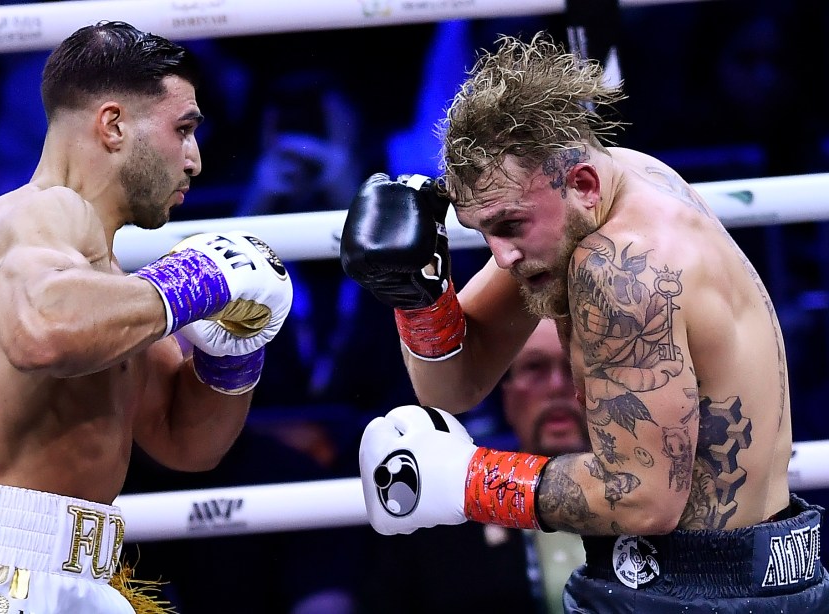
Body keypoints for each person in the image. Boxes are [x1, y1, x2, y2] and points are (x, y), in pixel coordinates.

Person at [341, 32, 829, 612]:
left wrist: (469, 482)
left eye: (510, 225)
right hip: (738, 573)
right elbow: (453, 388)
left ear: (582, 184)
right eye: (484, 233)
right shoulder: (608, 186)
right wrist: (420, 298)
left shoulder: (620, 268)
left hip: (697, 589)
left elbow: (645, 501)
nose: (501, 257)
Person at [0, 20, 292, 614]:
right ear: (113, 125)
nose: (195, 160)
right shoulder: (36, 215)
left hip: (76, 572)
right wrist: (197, 282)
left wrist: (233, 350)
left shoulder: (111, 286)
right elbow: (41, 334)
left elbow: (187, 442)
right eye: (184, 129)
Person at [357, 318, 589, 613]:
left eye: (573, 368)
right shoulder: (441, 524)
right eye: (535, 368)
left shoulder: (662, 500)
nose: (557, 386)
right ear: (507, 396)